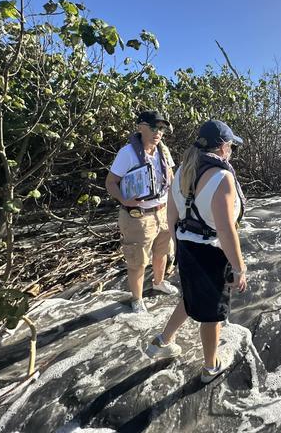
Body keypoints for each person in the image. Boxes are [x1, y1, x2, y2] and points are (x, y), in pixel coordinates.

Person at [145, 119, 247, 383]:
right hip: (211, 252)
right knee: (213, 315)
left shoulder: (183, 170)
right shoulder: (221, 177)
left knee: (191, 295)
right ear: (223, 147)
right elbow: (226, 230)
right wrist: (239, 268)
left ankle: (162, 340)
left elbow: (172, 216)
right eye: (231, 146)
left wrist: (180, 249)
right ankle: (210, 367)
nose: (231, 151)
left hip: (187, 247)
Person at [105, 110, 179, 313]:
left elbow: (171, 178)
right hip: (138, 216)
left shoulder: (163, 151)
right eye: (154, 127)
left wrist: (176, 206)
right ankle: (137, 299)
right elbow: (111, 182)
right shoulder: (127, 153)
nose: (158, 132)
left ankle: (158, 282)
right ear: (141, 127)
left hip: (162, 211)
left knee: (162, 251)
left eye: (162, 128)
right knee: (137, 260)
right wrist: (123, 199)